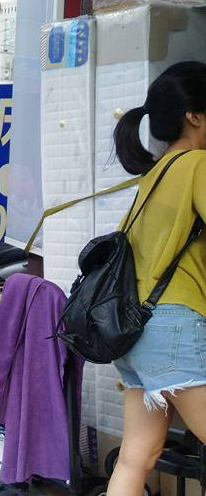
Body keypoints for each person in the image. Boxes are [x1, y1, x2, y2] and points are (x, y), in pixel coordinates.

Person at [107, 61, 206, 495]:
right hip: (174, 330)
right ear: (195, 116)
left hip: (134, 333)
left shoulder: (153, 175)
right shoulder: (197, 164)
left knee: (136, 456)